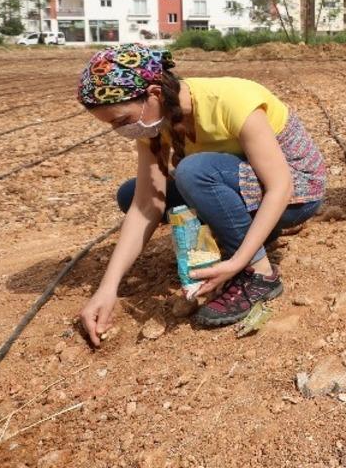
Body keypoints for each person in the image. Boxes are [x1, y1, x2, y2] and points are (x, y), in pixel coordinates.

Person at [76, 44, 326, 340]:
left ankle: (260, 275)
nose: (122, 131)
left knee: (194, 172)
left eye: (122, 121)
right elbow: (146, 204)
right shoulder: (154, 125)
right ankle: (250, 232)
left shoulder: (231, 100)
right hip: (242, 183)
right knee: (131, 194)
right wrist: (108, 288)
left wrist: (236, 263)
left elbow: (280, 186)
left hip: (297, 190)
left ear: (154, 94)